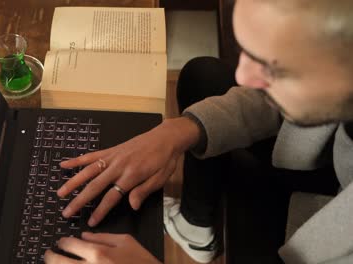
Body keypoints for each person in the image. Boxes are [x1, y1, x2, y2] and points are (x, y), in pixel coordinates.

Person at [45, 0, 353, 263]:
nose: (243, 75)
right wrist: (176, 131)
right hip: (332, 170)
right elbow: (266, 102)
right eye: (244, 49)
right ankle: (195, 228)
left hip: (323, 230)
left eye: (275, 66)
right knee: (205, 75)